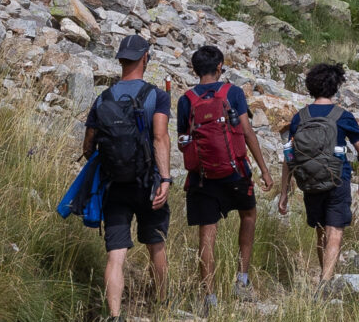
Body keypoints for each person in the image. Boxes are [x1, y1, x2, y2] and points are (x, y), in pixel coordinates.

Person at [82, 34, 172, 322]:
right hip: (149, 186)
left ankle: (116, 315)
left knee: (116, 254)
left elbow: (87, 147)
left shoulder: (102, 98)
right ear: (145, 58)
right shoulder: (156, 96)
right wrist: (166, 179)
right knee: (155, 245)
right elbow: (160, 138)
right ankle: (162, 304)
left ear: (121, 60)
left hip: (114, 186)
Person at [177, 44, 271, 312]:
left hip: (202, 177)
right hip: (235, 172)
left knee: (207, 234)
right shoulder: (233, 92)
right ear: (219, 67)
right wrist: (264, 170)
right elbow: (247, 132)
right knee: (249, 215)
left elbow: (182, 140)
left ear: (195, 70)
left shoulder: (186, 100)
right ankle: (241, 279)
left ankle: (209, 297)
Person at [274, 64, 359, 284]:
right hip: (336, 179)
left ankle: (326, 277)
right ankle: (325, 282)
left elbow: (289, 156)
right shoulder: (342, 115)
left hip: (309, 181)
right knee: (335, 230)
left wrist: (284, 192)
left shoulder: (299, 118)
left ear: (311, 87)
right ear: (335, 87)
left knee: (320, 230)